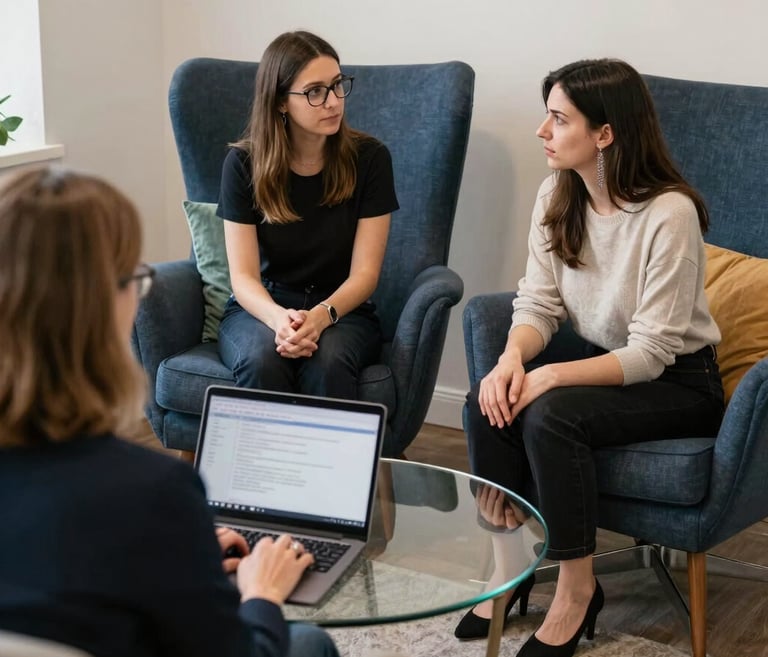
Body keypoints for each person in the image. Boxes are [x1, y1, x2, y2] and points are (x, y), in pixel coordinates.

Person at [0, 167, 340, 657]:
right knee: (308, 643)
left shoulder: (153, 507)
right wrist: (262, 593)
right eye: (134, 280)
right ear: (99, 305)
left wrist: (184, 549)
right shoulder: (152, 493)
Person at [455, 59, 724, 657]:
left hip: (679, 383)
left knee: (551, 415)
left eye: (558, 118)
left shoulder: (668, 213)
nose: (541, 131)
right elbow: (539, 303)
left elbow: (652, 352)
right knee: (485, 401)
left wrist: (546, 374)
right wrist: (510, 361)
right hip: (603, 358)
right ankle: (511, 568)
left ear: (604, 134)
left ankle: (577, 591)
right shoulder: (558, 192)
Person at [217, 30, 398, 400]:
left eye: (337, 85)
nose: (333, 102)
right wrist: (278, 320)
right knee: (260, 359)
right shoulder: (242, 164)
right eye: (315, 91)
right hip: (262, 305)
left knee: (328, 360)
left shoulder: (370, 158)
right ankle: (264, 461)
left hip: (342, 308)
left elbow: (366, 274)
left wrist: (320, 316)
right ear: (281, 102)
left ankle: (333, 462)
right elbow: (243, 277)